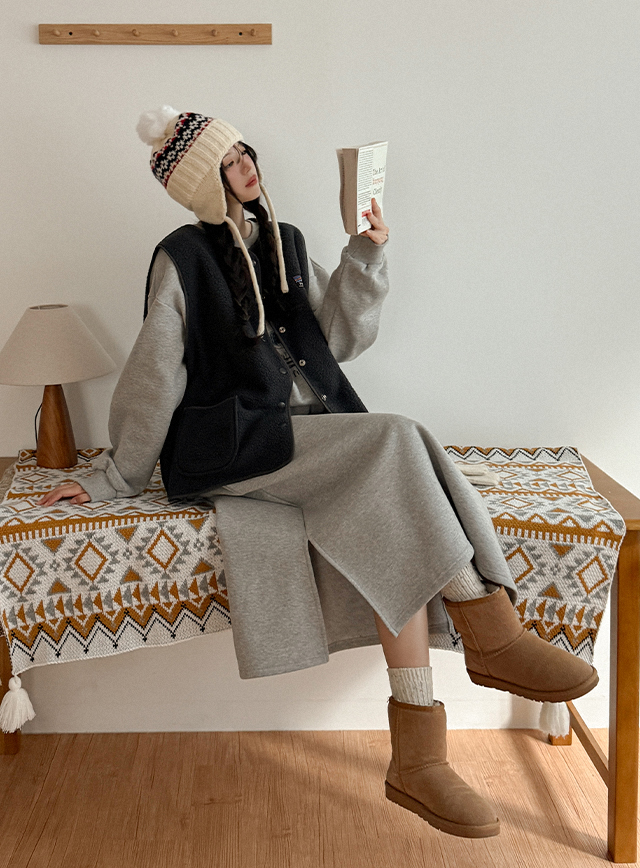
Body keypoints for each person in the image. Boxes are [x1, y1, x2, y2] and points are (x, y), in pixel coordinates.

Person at [39, 106, 598, 840]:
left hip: (306, 433)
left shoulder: (286, 242)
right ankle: (490, 632)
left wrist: (365, 254)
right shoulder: (181, 258)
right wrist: (117, 475)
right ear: (200, 182)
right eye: (227, 161)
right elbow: (155, 373)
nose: (247, 165)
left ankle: (418, 759)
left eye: (245, 151)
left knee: (392, 505)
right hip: (233, 446)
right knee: (398, 435)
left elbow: (335, 340)